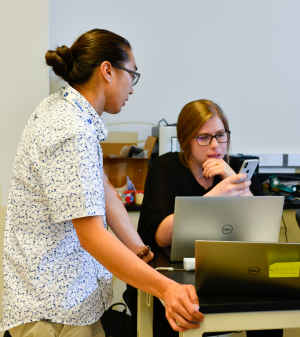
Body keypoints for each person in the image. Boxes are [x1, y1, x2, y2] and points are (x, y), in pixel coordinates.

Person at [0, 29, 204, 337]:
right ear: (107, 70)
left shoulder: (64, 110)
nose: (133, 89)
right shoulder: (72, 131)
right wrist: (167, 290)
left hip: (55, 301)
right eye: (132, 75)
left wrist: (136, 247)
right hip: (55, 312)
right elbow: (92, 237)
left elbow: (102, 189)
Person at [124, 99, 283, 337]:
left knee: (270, 303)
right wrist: (216, 195)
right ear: (186, 139)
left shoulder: (238, 167)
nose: (214, 145)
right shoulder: (165, 167)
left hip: (229, 269)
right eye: (203, 137)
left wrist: (234, 181)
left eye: (220, 135)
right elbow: (159, 234)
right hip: (176, 269)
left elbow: (259, 229)